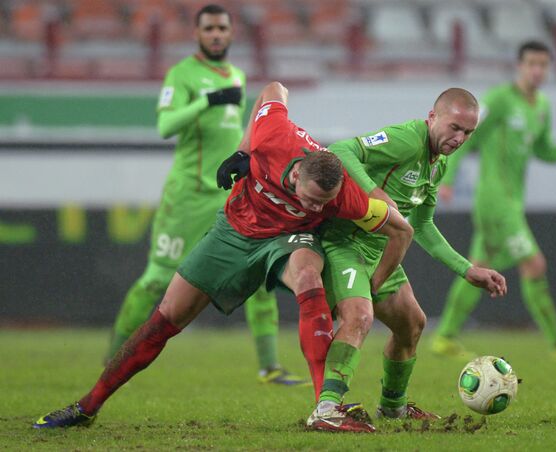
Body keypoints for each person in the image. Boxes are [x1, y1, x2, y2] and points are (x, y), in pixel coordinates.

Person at [33, 81, 413, 433]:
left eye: (323, 203)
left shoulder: (345, 194)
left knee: (308, 276)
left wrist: (376, 281)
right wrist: (243, 150)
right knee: (164, 320)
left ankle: (325, 410)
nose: (316, 205)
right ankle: (88, 405)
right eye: (311, 198)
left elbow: (400, 229)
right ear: (296, 174)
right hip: (232, 232)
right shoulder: (275, 136)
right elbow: (272, 89)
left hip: (285, 239)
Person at [106, 4, 304, 386]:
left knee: (260, 272)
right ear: (197, 34)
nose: (216, 34)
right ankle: (114, 357)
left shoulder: (236, 75)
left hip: (230, 194)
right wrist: (207, 101)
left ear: (231, 34)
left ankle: (269, 366)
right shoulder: (182, 75)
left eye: (222, 28)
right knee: (155, 280)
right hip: (188, 196)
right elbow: (165, 125)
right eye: (209, 28)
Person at [305, 88, 508, 432]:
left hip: (380, 251)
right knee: (359, 317)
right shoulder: (406, 139)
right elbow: (339, 151)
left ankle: (393, 407)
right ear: (433, 117)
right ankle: (326, 408)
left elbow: (423, 226)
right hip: (347, 243)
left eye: (468, 133)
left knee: (412, 323)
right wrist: (374, 191)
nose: (459, 138)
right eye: (455, 127)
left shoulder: (437, 164)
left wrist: (467, 269)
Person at [431, 41, 556, 361]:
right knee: (534, 263)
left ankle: (445, 336)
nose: (537, 70)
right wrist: (447, 180)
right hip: (494, 201)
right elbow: (465, 137)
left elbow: (543, 149)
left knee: (478, 268)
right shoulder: (500, 100)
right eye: (531, 63)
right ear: (519, 66)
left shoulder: (542, 105)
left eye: (543, 64)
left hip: (513, 201)